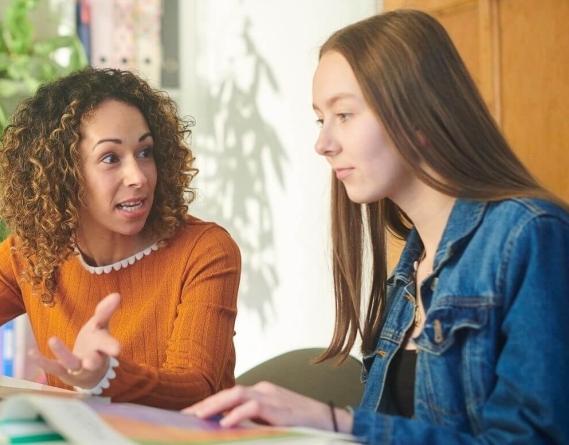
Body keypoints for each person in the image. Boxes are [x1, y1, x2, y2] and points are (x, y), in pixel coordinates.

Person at [181, 9, 569, 443]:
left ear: (418, 114)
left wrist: (337, 422)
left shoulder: (531, 235)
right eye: (320, 119)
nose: (323, 144)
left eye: (343, 114)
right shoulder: (411, 267)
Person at [0, 67, 242, 410]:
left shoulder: (204, 251)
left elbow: (195, 386)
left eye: (145, 152)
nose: (139, 177)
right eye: (111, 158)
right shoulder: (32, 255)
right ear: (63, 175)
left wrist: (106, 376)